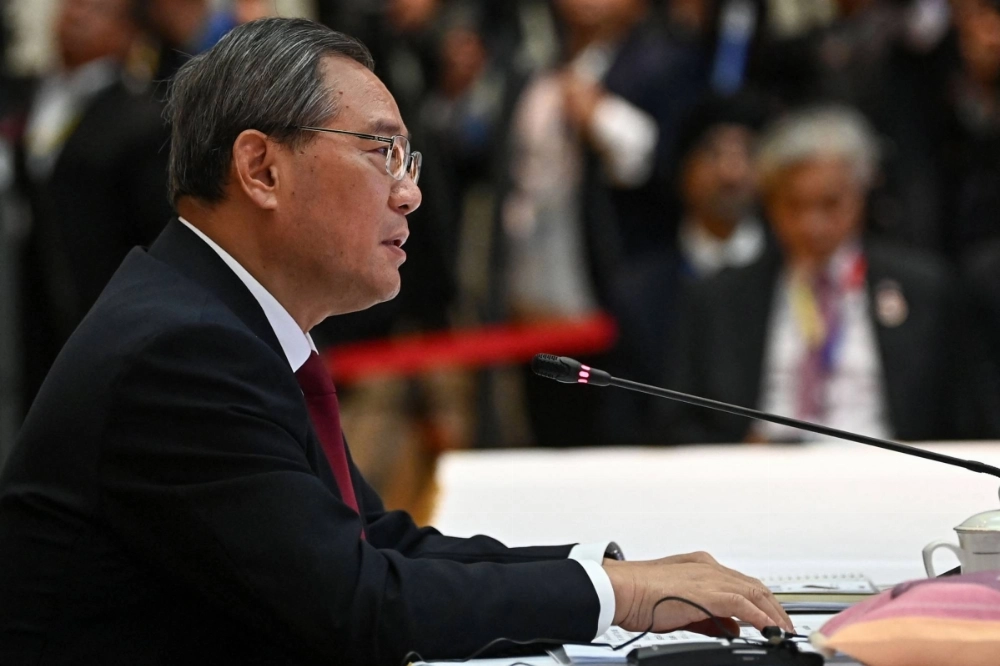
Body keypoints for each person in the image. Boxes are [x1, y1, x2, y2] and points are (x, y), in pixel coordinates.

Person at [0, 18, 790, 666]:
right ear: (261, 168)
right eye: (382, 153)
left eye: (408, 158)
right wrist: (618, 599)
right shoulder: (178, 352)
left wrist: (609, 575)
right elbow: (357, 605)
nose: (410, 191)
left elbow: (375, 542)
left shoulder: (211, 315)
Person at [661, 105, 998, 445]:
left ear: (861, 196)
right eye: (794, 205)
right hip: (762, 478)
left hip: (885, 474)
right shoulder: (718, 297)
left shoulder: (925, 290)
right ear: (770, 203)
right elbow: (676, 422)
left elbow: (966, 418)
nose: (812, 224)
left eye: (830, 203)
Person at [13, 0, 173, 415]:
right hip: (21, 308)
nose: (76, 16)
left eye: (98, 9)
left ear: (130, 33)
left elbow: (154, 233)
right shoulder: (23, 94)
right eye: (72, 4)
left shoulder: (140, 119)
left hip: (93, 313)